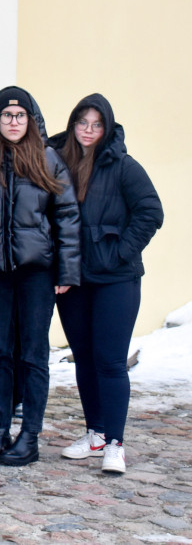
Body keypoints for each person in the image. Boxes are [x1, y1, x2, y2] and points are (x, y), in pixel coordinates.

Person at [49, 94, 163, 475]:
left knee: (110, 361)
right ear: (73, 123)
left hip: (116, 279)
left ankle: (115, 443)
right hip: (75, 279)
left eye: (97, 124)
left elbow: (151, 212)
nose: (88, 131)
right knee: (84, 357)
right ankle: (94, 433)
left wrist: (120, 253)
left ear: (107, 127)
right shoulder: (60, 161)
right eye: (83, 122)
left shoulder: (123, 166)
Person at [0, 87, 81, 466]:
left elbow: (66, 216)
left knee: (33, 355)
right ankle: (1, 428)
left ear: (30, 121)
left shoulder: (49, 159)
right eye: (6, 116)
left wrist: (67, 270)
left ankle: (29, 435)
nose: (13, 122)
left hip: (36, 273)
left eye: (20, 116)